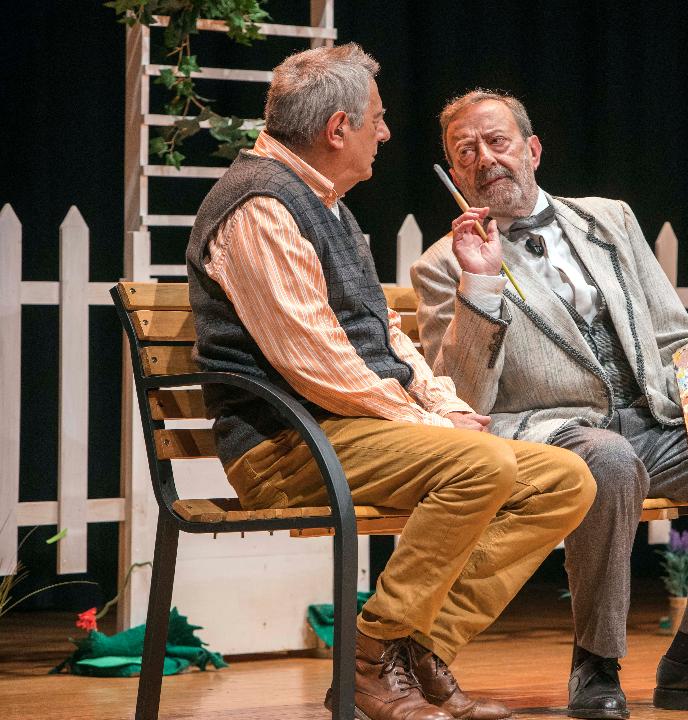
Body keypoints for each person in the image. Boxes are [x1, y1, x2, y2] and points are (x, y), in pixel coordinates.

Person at [186, 51, 595, 720]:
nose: (385, 133)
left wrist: (444, 404)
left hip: (351, 431)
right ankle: (369, 658)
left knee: (565, 479)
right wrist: (432, 426)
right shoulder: (260, 206)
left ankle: (416, 651)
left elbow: (383, 339)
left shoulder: (327, 206)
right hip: (289, 446)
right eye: (376, 119)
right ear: (338, 128)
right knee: (481, 463)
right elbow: (314, 360)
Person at [411, 90, 688, 717]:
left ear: (533, 150)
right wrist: (480, 282)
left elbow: (670, 334)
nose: (484, 159)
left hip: (650, 421)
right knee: (609, 459)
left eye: (497, 142)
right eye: (465, 152)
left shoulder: (610, 219)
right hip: (553, 433)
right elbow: (463, 398)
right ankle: (595, 664)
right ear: (454, 174)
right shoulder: (441, 266)